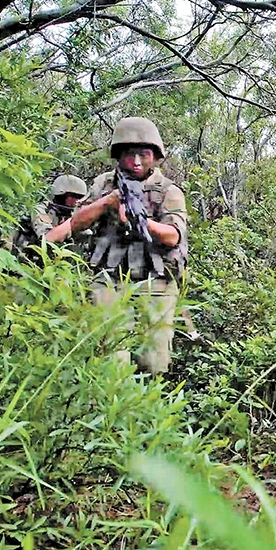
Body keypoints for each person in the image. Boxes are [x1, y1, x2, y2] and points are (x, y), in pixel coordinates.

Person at [69, 117, 189, 375]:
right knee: (110, 356)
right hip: (109, 277)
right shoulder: (104, 184)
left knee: (154, 362)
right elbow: (75, 224)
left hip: (155, 280)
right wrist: (107, 202)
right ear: (118, 155)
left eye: (143, 154)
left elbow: (173, 236)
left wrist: (142, 222)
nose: (136, 162)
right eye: (129, 154)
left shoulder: (168, 191)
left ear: (155, 156)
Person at [11, 174, 88, 260]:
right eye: (72, 196)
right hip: (25, 257)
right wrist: (74, 221)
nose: (76, 201)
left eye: (79, 197)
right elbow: (47, 237)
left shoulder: (70, 214)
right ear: (61, 195)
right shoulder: (41, 210)